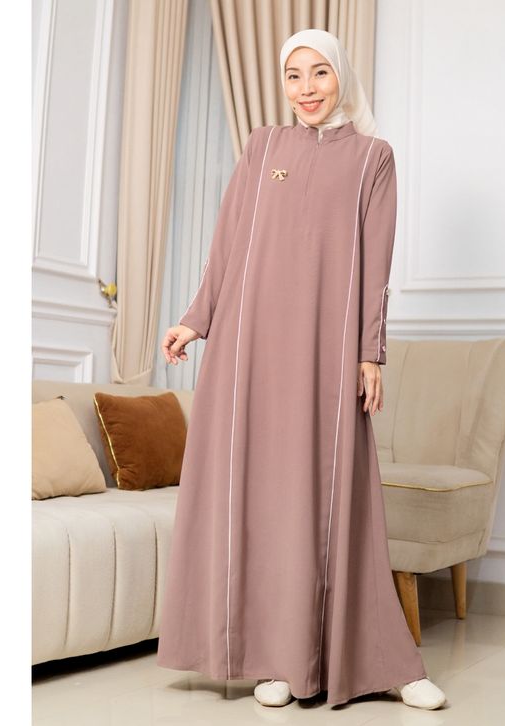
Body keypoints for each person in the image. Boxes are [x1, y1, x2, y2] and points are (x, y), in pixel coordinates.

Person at [156, 28, 446, 710]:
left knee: (327, 493)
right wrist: (196, 319)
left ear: (341, 76)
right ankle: (274, 656)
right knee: (261, 495)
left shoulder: (373, 158)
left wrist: (371, 351)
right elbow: (227, 244)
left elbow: (375, 263)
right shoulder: (264, 147)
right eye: (294, 75)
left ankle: (377, 661)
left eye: (320, 72)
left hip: (326, 347)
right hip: (248, 348)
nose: (307, 88)